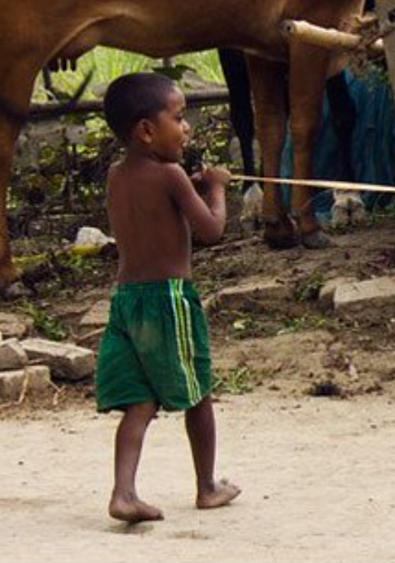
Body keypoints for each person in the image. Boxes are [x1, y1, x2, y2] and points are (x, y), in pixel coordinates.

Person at [95, 72, 241, 523]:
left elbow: (154, 212)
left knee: (139, 401)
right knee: (197, 393)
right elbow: (211, 230)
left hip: (126, 301)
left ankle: (124, 493)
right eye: (179, 117)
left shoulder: (117, 176)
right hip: (169, 300)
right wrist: (216, 188)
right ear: (146, 130)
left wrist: (191, 192)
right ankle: (207, 486)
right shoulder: (172, 174)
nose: (187, 127)